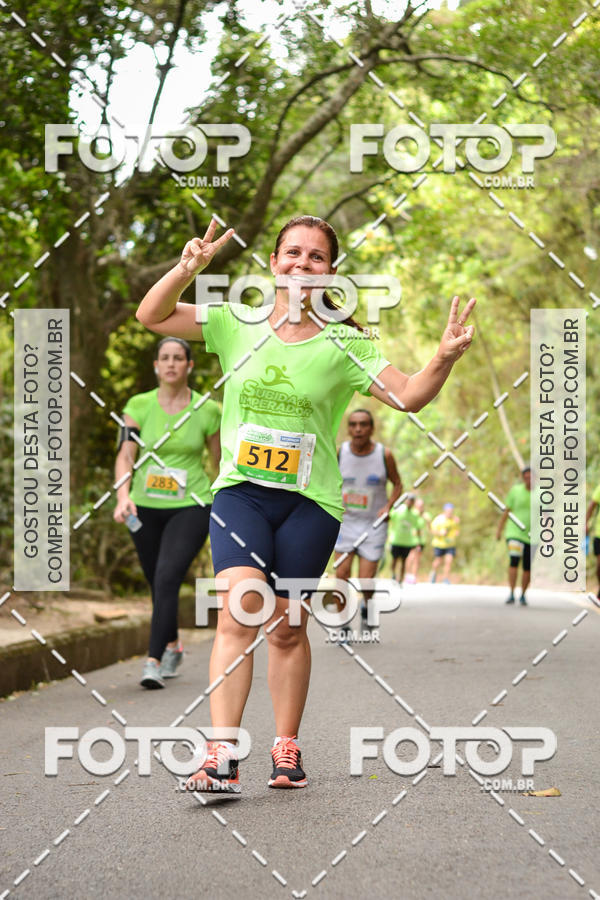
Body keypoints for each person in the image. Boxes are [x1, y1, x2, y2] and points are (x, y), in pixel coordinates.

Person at [135, 215, 475, 793]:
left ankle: (286, 749)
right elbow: (152, 316)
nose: (302, 263)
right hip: (240, 493)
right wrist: (187, 269)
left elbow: (410, 394)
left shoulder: (346, 342)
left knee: (287, 628)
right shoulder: (236, 322)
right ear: (273, 262)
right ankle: (222, 755)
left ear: (330, 273)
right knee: (241, 609)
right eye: (292, 252)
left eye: (316, 257)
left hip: (310, 504)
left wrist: (442, 357)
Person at [113, 337, 221, 688]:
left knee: (167, 576)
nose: (171, 363)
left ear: (189, 366)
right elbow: (125, 455)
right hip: (144, 505)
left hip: (193, 504)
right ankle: (173, 643)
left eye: (178, 358)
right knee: (157, 580)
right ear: (156, 366)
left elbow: (220, 462)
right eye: (165, 358)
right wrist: (122, 496)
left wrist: (224, 502)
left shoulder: (208, 409)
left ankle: (153, 661)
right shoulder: (138, 405)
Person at [333, 409, 402, 630]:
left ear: (371, 428)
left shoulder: (384, 455)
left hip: (373, 525)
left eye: (363, 424)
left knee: (365, 580)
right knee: (341, 574)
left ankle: (367, 604)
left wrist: (387, 506)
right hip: (345, 522)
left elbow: (398, 484)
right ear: (348, 428)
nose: (358, 429)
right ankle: (343, 625)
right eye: (353, 424)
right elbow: (327, 481)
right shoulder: (340, 453)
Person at [496, 466, 532, 605]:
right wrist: (499, 529)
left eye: (531, 477)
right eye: (526, 477)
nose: (528, 480)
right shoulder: (515, 491)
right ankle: (511, 592)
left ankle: (523, 594)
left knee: (528, 567)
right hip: (514, 533)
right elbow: (507, 511)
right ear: (523, 478)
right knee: (514, 560)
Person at [387, 494, 420, 583]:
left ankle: (400, 579)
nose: (410, 502)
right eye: (409, 500)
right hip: (396, 540)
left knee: (404, 561)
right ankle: (393, 574)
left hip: (407, 542)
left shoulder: (415, 514)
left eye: (412, 501)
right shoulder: (398, 510)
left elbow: (417, 528)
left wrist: (418, 541)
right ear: (406, 501)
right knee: (394, 559)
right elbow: (389, 519)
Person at [429, 502, 460, 584]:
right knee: (438, 561)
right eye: (448, 511)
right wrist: (440, 533)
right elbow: (432, 530)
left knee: (449, 561)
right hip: (439, 544)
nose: (450, 513)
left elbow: (457, 530)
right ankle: (434, 573)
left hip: (450, 545)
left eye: (451, 511)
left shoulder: (455, 520)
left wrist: (456, 533)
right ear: (445, 511)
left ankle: (445, 578)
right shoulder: (439, 519)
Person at [405, 496, 429, 583]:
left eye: (422, 506)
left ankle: (414, 576)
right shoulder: (412, 514)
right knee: (410, 557)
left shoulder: (425, 515)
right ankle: (407, 575)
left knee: (417, 559)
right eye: (419, 506)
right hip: (412, 540)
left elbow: (428, 527)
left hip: (421, 540)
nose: (420, 507)